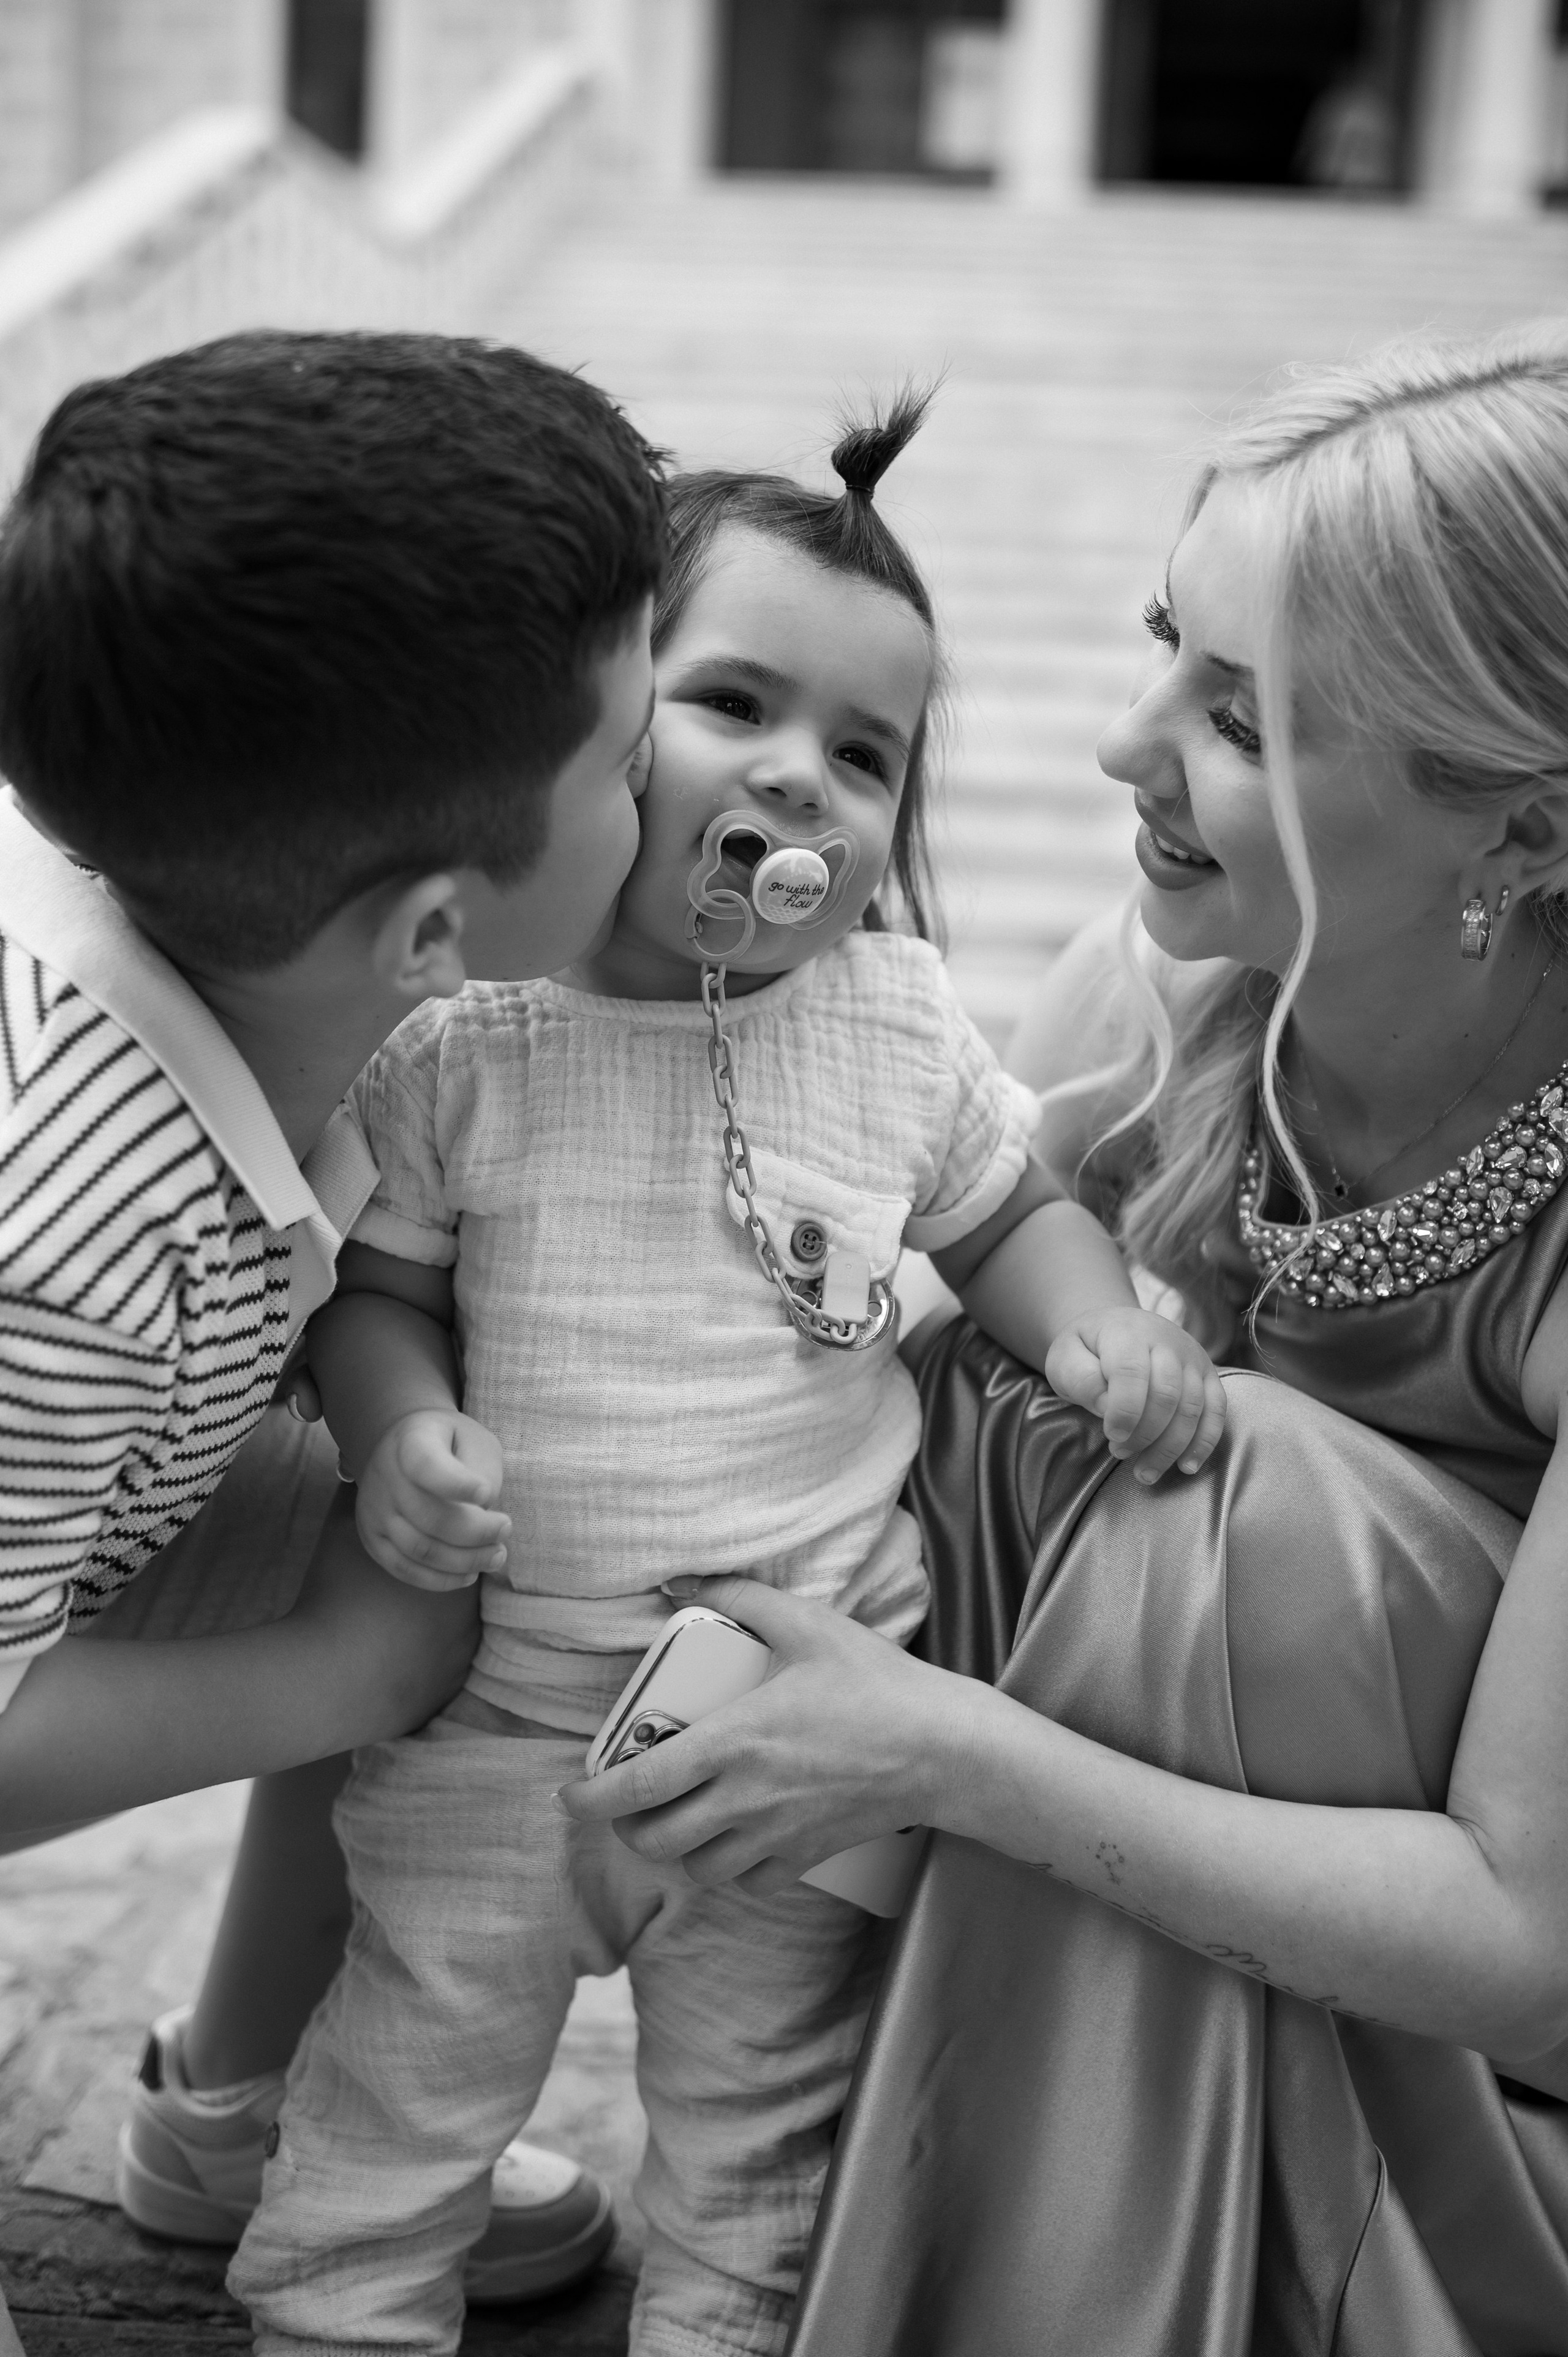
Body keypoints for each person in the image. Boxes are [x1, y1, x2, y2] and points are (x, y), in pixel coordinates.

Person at [562, 326, 1568, 2356]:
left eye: (1248, 719)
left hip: (1468, 2075)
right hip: (1149, 1882)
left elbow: (1535, 1948)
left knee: (1233, 1483)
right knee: (875, 1379)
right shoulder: (1168, 985)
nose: (1125, 748)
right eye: (1160, 649)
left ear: (1525, 839)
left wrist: (940, 1751)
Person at [228, 393, 1225, 2357]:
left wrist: (1097, 1321)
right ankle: (340, 2315)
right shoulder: (471, 1037)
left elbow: (1004, 1216)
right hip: (495, 1731)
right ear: (599, 733)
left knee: (758, 2159)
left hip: (797, 1728)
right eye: (736, 706)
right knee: (397, 2106)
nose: (804, 785)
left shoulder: (895, 1024)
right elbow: (378, 1288)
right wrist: (394, 1420)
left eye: (864, 756)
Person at [0, 328, 666, 2313]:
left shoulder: (331, 995)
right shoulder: (62, 1222)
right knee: (390, 1607)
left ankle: (245, 2108)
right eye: (631, 762)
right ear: (439, 922)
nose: (669, 790)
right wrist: (338, 1677)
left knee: (435, 1522)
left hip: (112, 1491)